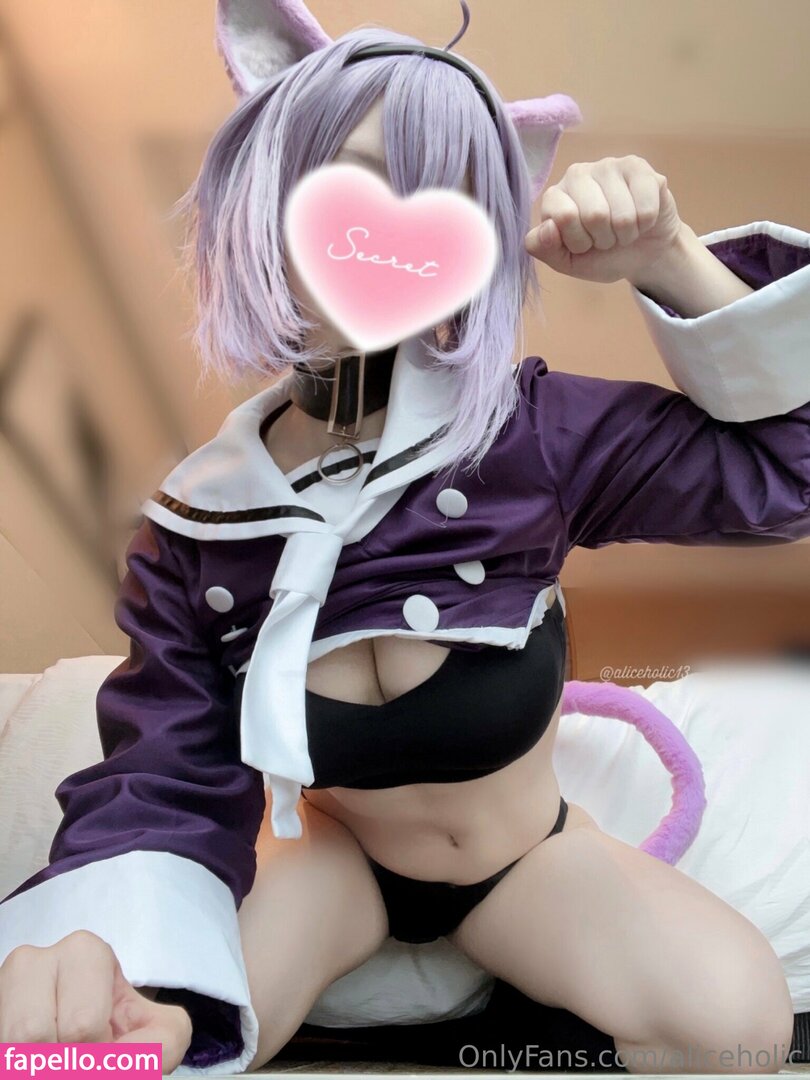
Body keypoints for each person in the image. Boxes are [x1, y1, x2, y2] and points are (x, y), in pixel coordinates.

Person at [1, 2, 808, 1075]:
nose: (387, 231)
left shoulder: (534, 438)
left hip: (523, 858)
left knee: (739, 1030)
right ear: (262, 197)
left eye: (444, 199)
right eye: (352, 181)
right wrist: (97, 960)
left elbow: (789, 470)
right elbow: (163, 771)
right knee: (159, 1046)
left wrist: (672, 260)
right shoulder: (195, 529)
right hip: (329, 859)